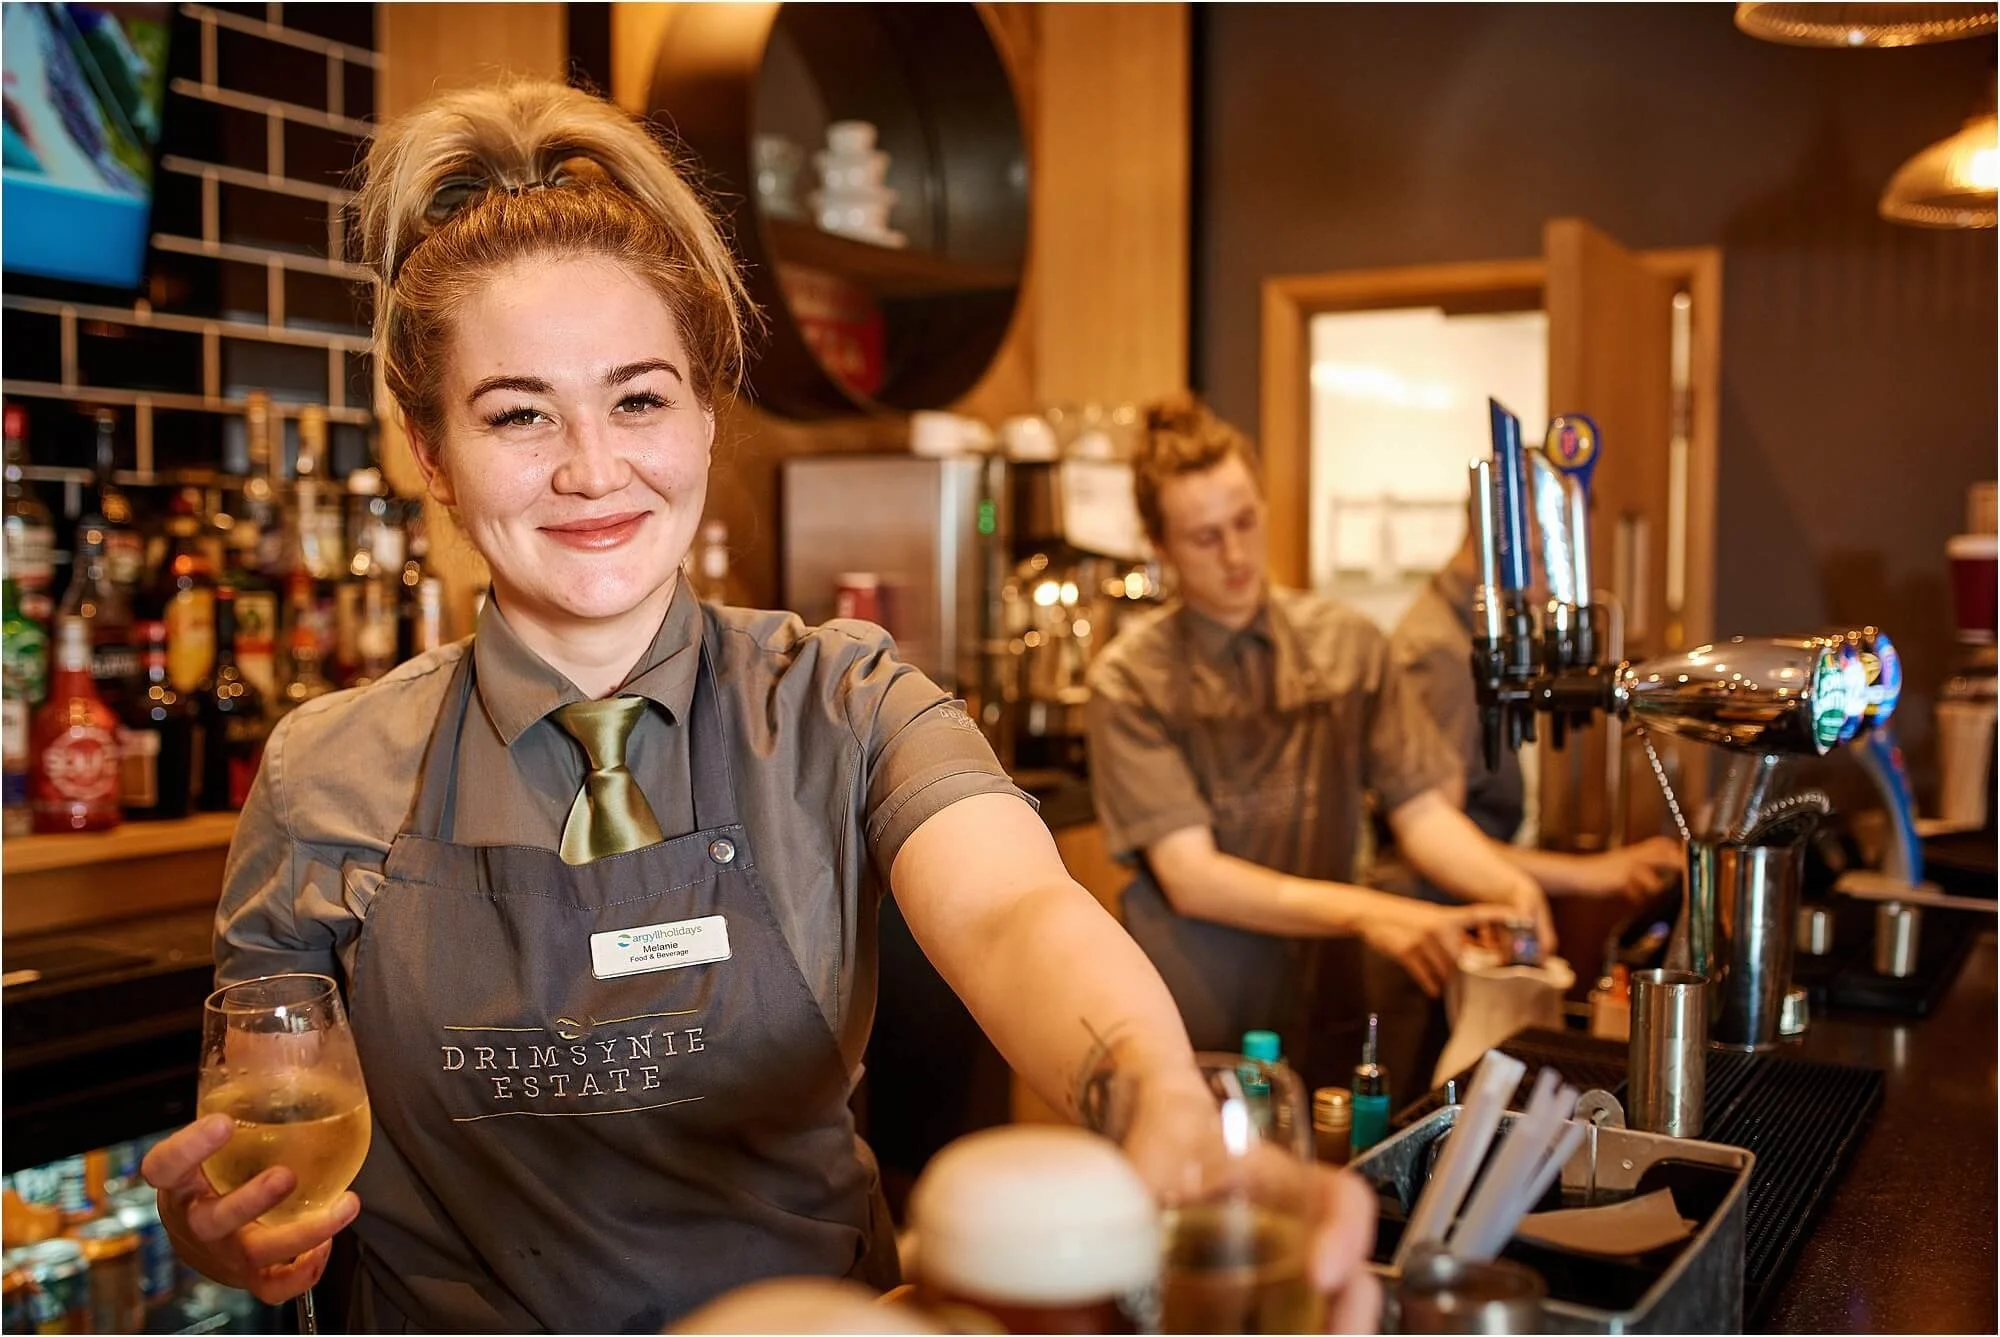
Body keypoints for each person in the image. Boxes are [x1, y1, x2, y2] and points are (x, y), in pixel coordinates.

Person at [136, 82, 1381, 1332]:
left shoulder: (843, 701)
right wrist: (247, 1240)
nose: (590, 465)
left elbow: (1013, 911)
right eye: (518, 413)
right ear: (429, 454)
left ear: (704, 411)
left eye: (637, 398)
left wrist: (1161, 1102)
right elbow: (271, 1150)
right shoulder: (324, 775)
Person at [1085, 399, 1551, 1094]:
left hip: (1323, 987)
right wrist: (1376, 912)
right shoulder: (1129, 680)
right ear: (1159, 545)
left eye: (1245, 522)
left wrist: (1507, 883)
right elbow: (1193, 875)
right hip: (1195, 1002)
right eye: (1205, 537)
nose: (1237, 556)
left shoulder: (1348, 643)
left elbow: (1422, 815)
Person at [1365, 524, 1683, 1095]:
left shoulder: (1474, 637)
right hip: (1429, 939)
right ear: (1501, 540)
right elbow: (1437, 829)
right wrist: (1590, 874)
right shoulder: (1437, 653)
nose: (1549, 589)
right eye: (1546, 560)